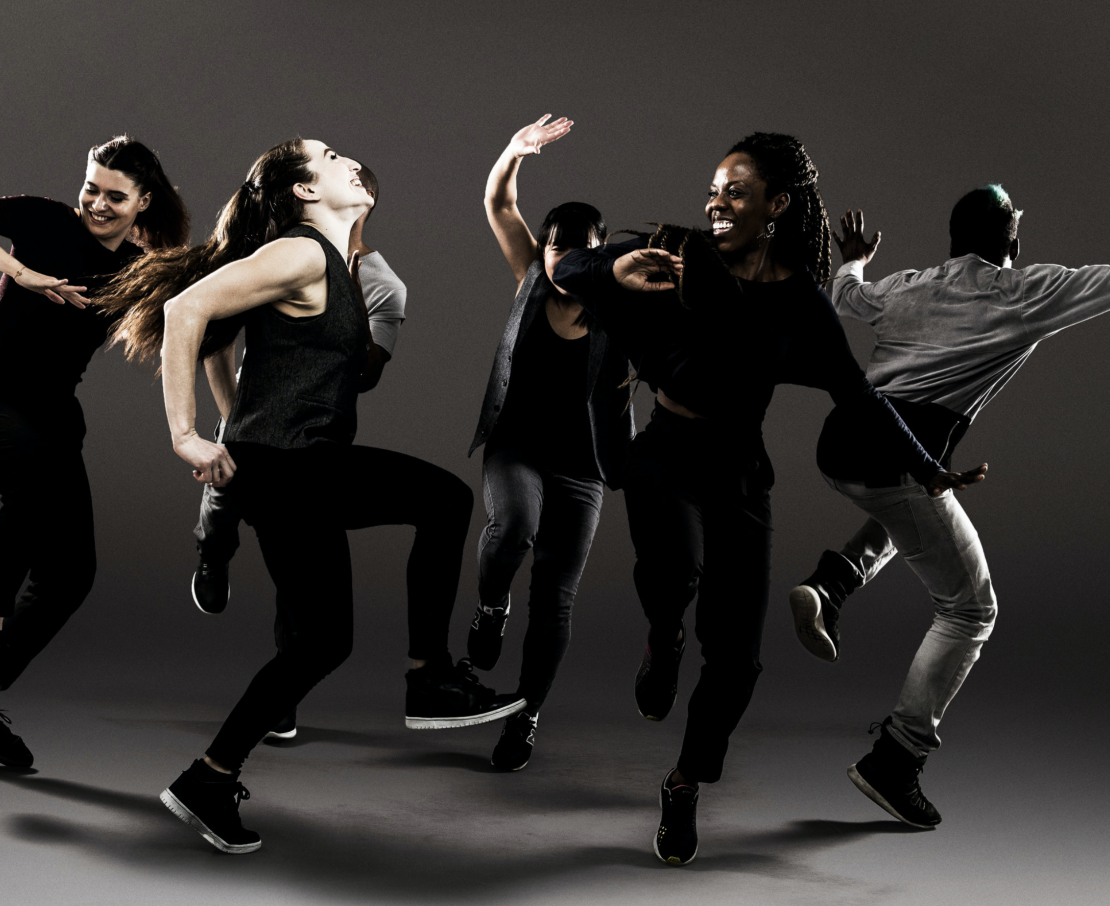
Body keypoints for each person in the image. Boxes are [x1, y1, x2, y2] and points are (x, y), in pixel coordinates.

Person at [553, 132, 986, 865]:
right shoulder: (673, 253)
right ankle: (663, 638)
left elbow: (858, 399)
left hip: (739, 471)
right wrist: (612, 264)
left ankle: (685, 784)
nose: (717, 204)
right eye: (714, 191)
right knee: (675, 576)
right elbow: (563, 268)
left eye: (737, 193)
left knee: (739, 660)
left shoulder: (800, 307)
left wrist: (927, 467)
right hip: (666, 453)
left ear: (777, 205)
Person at [99, 138, 523, 854]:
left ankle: (208, 779)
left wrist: (238, 426)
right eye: (328, 156)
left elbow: (241, 346)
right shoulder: (300, 253)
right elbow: (184, 313)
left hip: (291, 467)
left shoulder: (330, 261)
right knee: (445, 500)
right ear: (302, 189)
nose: (349, 159)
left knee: (323, 642)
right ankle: (431, 678)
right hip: (292, 470)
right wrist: (188, 436)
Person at [786, 132, 1110, 830]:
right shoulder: (1024, 292)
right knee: (970, 609)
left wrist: (858, 261)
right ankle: (896, 760)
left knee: (919, 510)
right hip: (900, 459)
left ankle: (831, 584)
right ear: (1011, 236)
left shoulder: (910, 285)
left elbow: (848, 297)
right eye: (1018, 221)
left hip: (842, 447)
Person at [186, 162, 473, 744]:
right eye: (331, 163)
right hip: (257, 434)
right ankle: (213, 559)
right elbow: (203, 328)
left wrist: (349, 331)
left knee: (314, 608)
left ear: (363, 202)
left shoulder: (381, 284)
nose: (346, 173)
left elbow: (365, 376)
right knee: (224, 517)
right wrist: (218, 427)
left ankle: (275, 710)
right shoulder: (292, 254)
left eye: (356, 176)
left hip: (310, 450)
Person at [0, 136, 189, 769]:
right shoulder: (45, 219)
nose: (97, 203)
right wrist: (19, 272)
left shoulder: (138, 268)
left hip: (47, 425)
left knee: (71, 573)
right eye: (91, 187)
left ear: (143, 201)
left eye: (115, 195)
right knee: (35, 486)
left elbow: (195, 314)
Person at [467, 116, 634, 770]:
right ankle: (488, 607)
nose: (564, 266)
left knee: (556, 598)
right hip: (517, 448)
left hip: (584, 467)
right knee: (513, 527)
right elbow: (499, 204)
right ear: (542, 251)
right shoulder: (531, 277)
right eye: (554, 252)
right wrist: (513, 150)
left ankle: (525, 715)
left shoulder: (623, 304)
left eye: (579, 257)